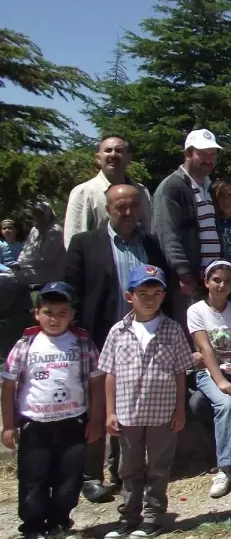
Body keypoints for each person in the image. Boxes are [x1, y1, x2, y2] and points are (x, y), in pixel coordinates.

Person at [62, 183, 173, 503]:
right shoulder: (85, 244)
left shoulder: (151, 245)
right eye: (120, 207)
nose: (127, 213)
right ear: (107, 210)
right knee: (98, 407)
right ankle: (91, 475)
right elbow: (72, 291)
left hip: (142, 340)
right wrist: (76, 334)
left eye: (132, 207)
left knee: (132, 406)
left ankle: (122, 471)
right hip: (97, 337)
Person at [1, 282, 104, 539]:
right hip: (36, 424)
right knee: (33, 479)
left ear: (72, 315)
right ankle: (33, 528)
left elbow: (95, 382)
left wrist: (95, 419)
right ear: (37, 313)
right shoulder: (26, 344)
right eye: (48, 312)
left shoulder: (81, 342)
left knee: (68, 478)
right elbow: (10, 385)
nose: (54, 319)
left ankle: (59, 522)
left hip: (73, 421)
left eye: (62, 312)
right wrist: (9, 426)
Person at [98, 265, 192, 539]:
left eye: (156, 292)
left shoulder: (172, 330)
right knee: (129, 467)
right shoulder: (118, 331)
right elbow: (110, 373)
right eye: (143, 293)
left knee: (159, 466)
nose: (149, 298)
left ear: (164, 295)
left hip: (162, 412)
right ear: (130, 296)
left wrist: (180, 409)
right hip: (128, 413)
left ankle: (153, 516)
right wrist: (110, 411)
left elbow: (179, 373)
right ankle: (128, 516)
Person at [186, 260, 231, 498]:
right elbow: (205, 349)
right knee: (225, 404)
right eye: (216, 279)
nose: (222, 285)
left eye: (227, 281)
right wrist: (222, 383)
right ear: (206, 282)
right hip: (209, 373)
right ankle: (225, 468)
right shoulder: (196, 311)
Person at [152, 129, 224, 312]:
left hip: (210, 279)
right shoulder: (172, 187)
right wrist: (183, 273)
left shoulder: (208, 187)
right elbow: (167, 234)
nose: (209, 159)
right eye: (203, 153)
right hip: (186, 282)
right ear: (187, 154)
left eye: (213, 154)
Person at [63, 135, 153, 244]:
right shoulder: (83, 193)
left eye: (119, 150)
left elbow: (150, 231)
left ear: (129, 158)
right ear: (98, 158)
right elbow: (74, 241)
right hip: (98, 260)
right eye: (108, 150)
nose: (113, 154)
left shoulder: (142, 192)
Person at [13, 202, 65, 287]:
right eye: (35, 214)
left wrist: (24, 265)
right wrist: (18, 263)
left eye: (40, 214)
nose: (36, 217)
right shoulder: (34, 230)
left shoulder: (56, 231)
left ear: (47, 215)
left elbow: (46, 258)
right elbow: (26, 249)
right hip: (29, 269)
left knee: (8, 280)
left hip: (48, 273)